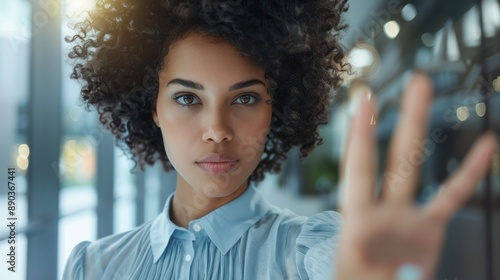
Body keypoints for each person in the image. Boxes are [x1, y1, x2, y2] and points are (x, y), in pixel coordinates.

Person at [63, 0, 497, 279]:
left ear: (278, 106)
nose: (217, 129)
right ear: (152, 106)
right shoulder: (92, 267)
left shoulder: (311, 253)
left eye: (246, 97)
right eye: (187, 98)